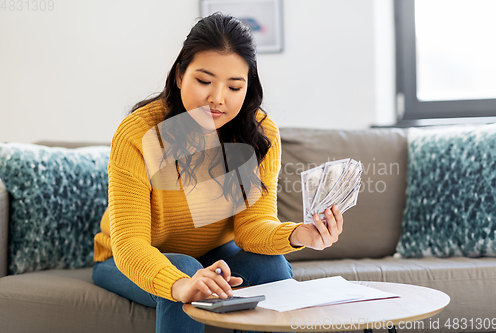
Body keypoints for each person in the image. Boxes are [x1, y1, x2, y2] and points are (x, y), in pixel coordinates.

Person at [92, 12, 344, 333]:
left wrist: (299, 235)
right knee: (184, 268)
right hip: (124, 258)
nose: (217, 99)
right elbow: (130, 245)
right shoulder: (141, 132)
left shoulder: (259, 133)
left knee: (271, 265)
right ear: (180, 75)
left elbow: (251, 230)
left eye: (234, 86)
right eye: (203, 81)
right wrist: (182, 284)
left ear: (247, 86)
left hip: (214, 253)